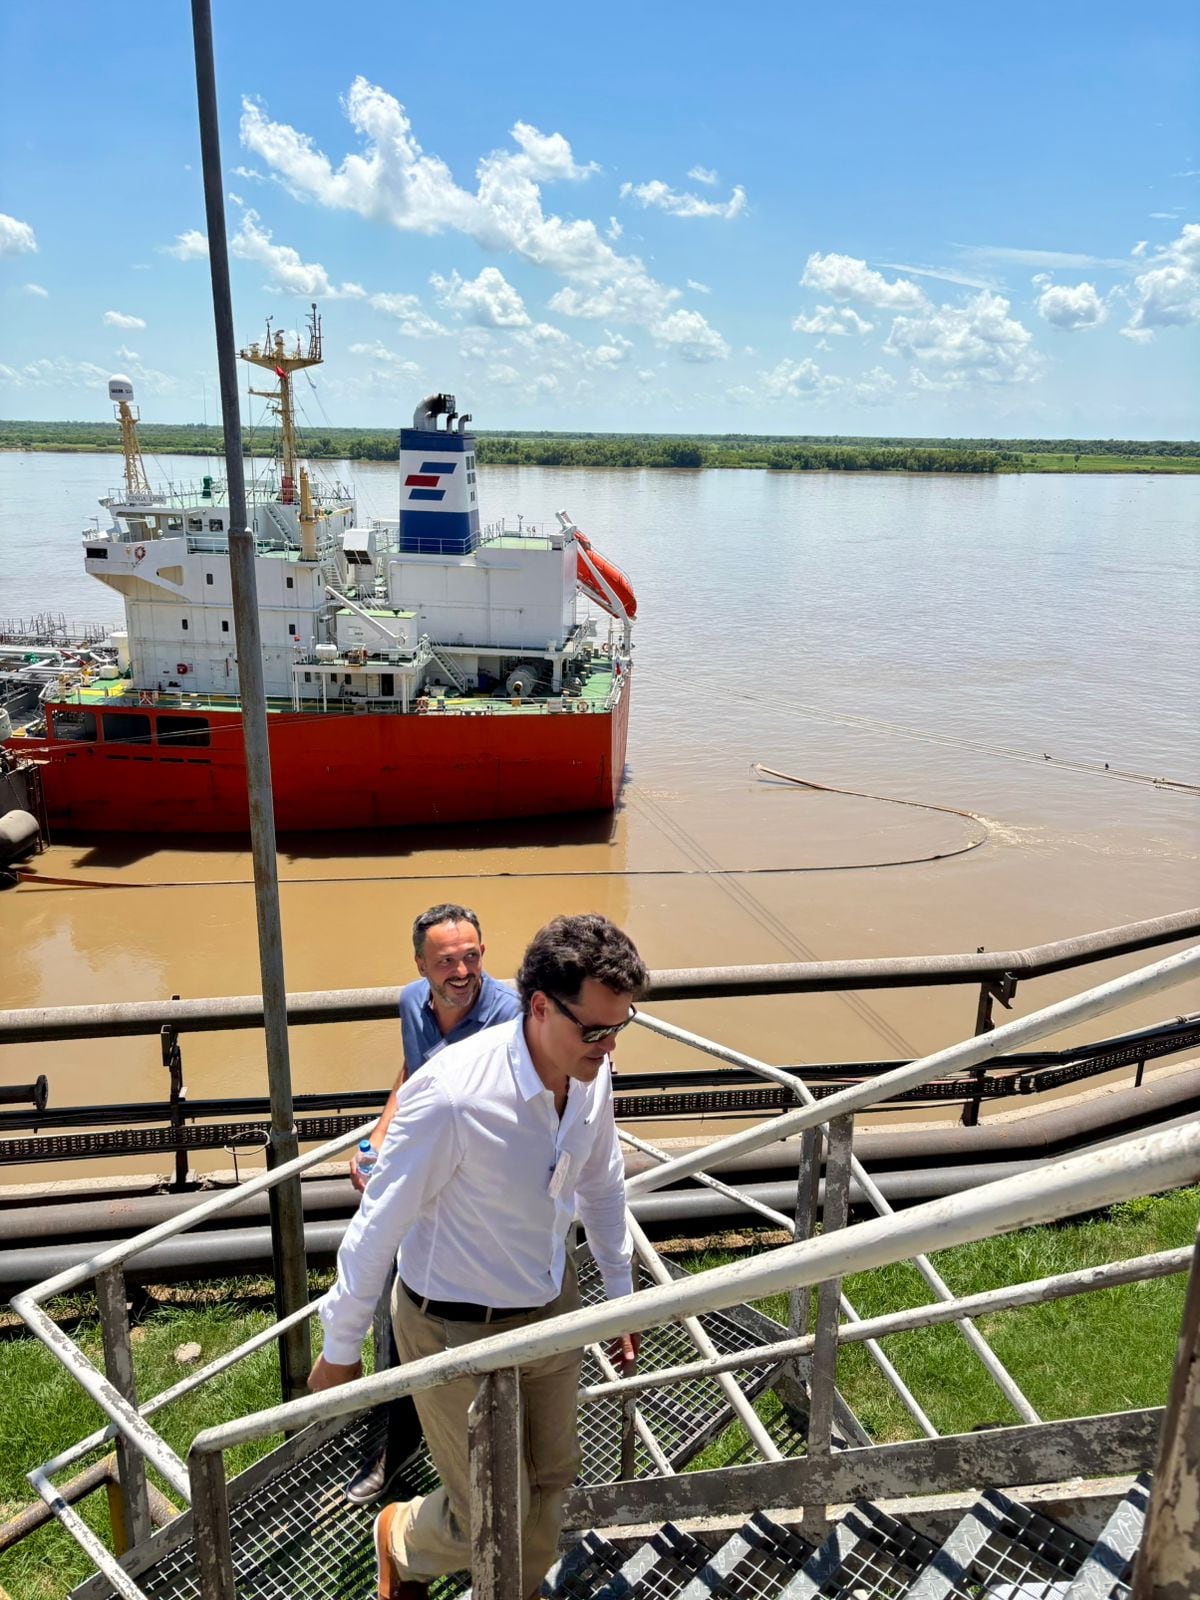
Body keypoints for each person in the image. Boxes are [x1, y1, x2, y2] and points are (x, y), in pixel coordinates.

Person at [311, 913, 646, 1600]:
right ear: (541, 1006)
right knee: (493, 1512)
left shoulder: (592, 1071)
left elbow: (601, 1182)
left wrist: (621, 1294)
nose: (609, 1046)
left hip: (550, 1307)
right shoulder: (453, 1094)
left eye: (621, 1026)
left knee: (551, 1481)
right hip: (452, 1326)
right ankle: (401, 1537)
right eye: (595, 1029)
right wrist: (341, 1345)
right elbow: (380, 1222)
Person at [346, 903, 522, 1506]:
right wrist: (375, 1141)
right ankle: (396, 1440)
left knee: (478, 1319)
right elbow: (411, 1078)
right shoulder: (409, 1007)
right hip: (427, 1179)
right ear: (419, 963)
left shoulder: (511, 1016)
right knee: (398, 1305)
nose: (462, 970)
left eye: (471, 956)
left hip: (480, 1193)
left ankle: (473, 1447)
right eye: (446, 960)